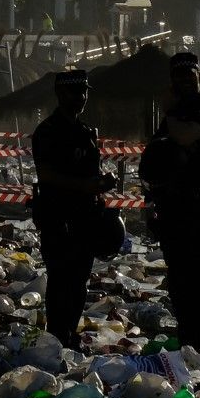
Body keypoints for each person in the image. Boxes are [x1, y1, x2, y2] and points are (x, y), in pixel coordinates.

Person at [140, 50, 200, 347]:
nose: (185, 83)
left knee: (192, 276)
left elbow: (186, 136)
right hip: (168, 205)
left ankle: (195, 338)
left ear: (198, 78)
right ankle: (187, 335)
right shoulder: (173, 115)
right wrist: (150, 204)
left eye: (190, 77)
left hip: (193, 204)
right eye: (179, 78)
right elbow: (155, 159)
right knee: (177, 278)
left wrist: (168, 111)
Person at [30, 67, 120, 342]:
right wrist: (86, 186)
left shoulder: (85, 132)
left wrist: (103, 182)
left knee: (79, 280)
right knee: (60, 280)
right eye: (74, 92)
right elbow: (46, 174)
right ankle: (57, 336)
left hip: (85, 217)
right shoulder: (48, 131)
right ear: (60, 93)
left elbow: (89, 171)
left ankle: (69, 334)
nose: (80, 97)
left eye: (83, 92)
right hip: (58, 217)